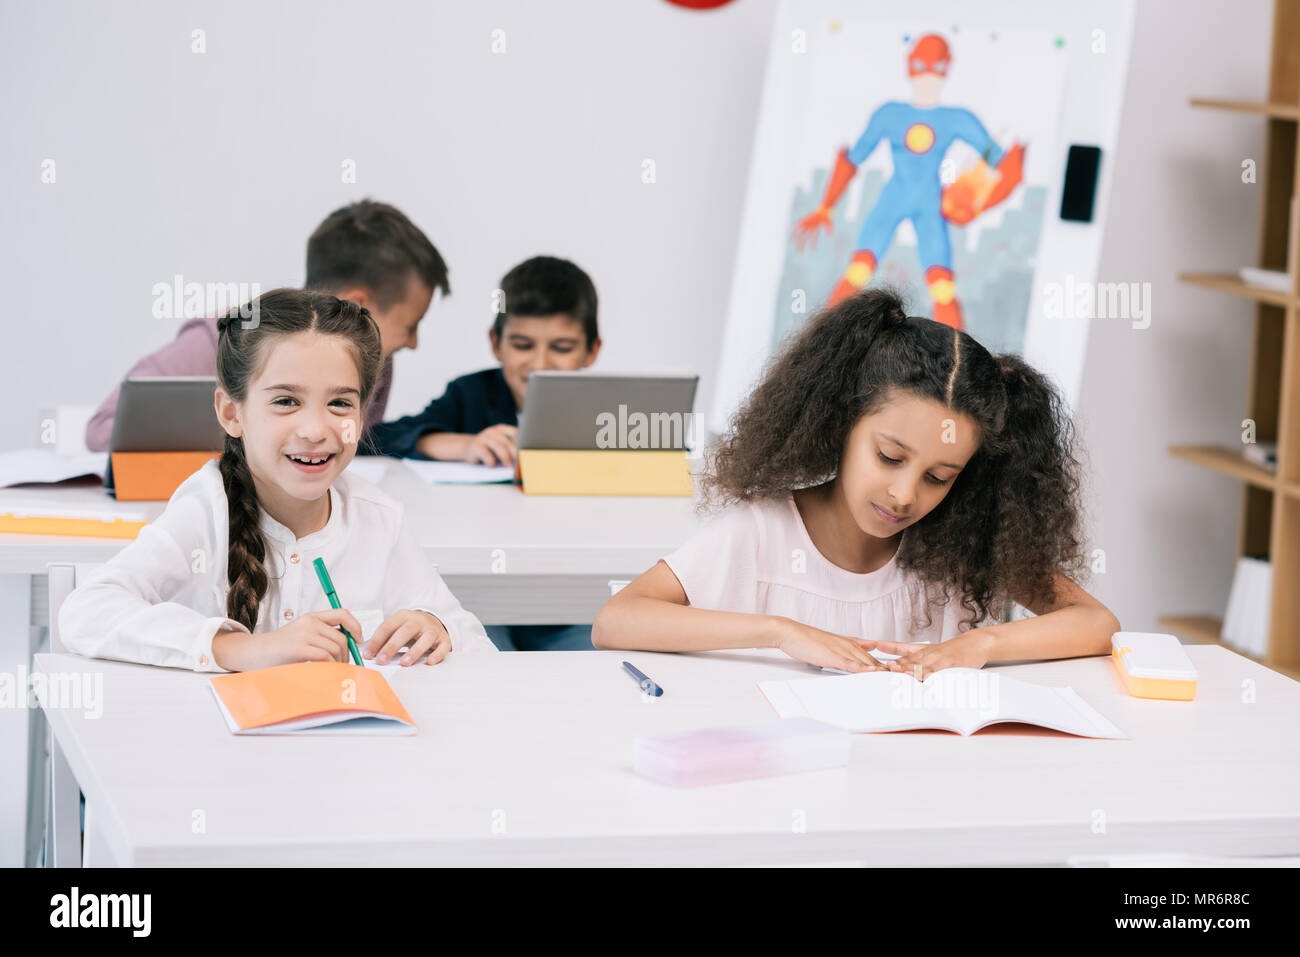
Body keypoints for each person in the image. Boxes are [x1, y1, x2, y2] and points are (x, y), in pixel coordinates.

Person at [592, 288, 1120, 679]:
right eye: (890, 456)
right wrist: (781, 632)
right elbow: (617, 620)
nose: (904, 494)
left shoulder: (963, 549)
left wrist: (982, 644)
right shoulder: (760, 533)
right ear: (841, 422)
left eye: (939, 477)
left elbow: (1098, 623)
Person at [61, 288, 493, 672]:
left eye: (340, 403)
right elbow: (87, 611)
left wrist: (437, 627)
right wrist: (242, 648)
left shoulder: (378, 518)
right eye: (286, 401)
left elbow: (475, 643)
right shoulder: (206, 509)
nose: (315, 429)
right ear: (232, 413)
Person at [85, 200, 448, 452]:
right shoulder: (222, 340)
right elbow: (103, 430)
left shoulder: (375, 360)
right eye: (412, 324)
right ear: (358, 305)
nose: (413, 342)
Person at [366, 255, 600, 465]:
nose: (540, 365)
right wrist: (464, 445)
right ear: (496, 344)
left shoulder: (608, 411)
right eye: (522, 345)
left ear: (591, 351)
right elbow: (378, 438)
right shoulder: (469, 395)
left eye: (562, 348)